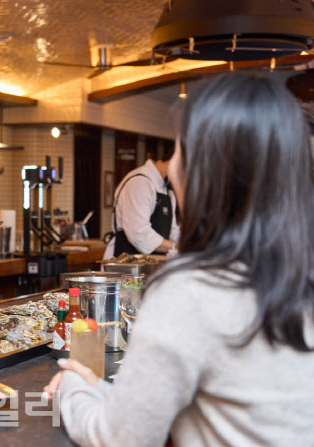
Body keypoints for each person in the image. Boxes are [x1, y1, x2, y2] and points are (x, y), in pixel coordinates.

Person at [45, 72, 314, 446]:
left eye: (178, 151)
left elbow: (119, 440)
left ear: (207, 172)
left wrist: (73, 385)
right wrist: (103, 394)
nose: (172, 166)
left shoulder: (192, 291)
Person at [102, 153, 180, 260]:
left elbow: (173, 231)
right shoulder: (139, 182)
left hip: (153, 264)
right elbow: (140, 234)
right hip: (126, 263)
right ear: (175, 162)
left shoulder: (167, 189)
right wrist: (176, 247)